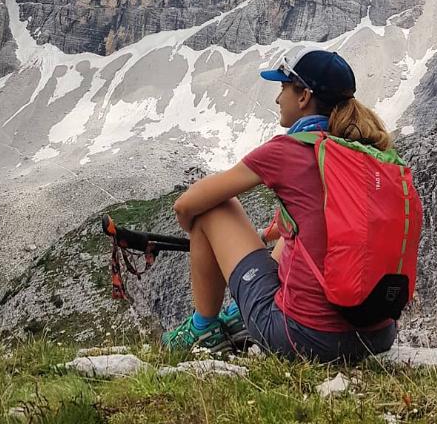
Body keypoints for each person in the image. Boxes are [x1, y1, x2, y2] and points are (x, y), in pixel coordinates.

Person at [161, 45, 401, 361]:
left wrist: (196, 232)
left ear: (303, 97)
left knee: (214, 207)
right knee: (292, 232)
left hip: (304, 339)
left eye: (283, 88)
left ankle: (204, 329)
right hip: (377, 336)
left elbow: (186, 205)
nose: (277, 99)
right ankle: (238, 318)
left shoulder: (288, 150)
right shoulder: (365, 152)